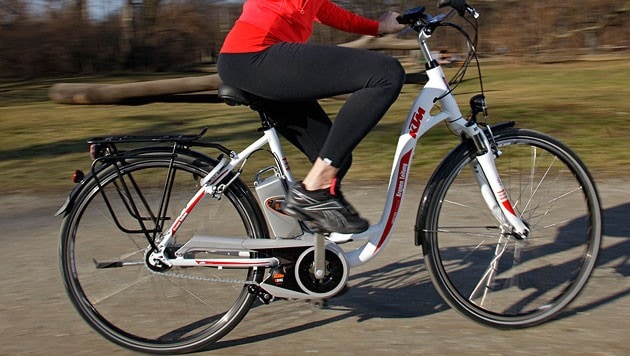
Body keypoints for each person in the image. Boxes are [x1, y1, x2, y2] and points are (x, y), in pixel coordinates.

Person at [217, 0, 406, 234]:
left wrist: (377, 27)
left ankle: (294, 256)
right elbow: (299, 6)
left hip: (258, 59)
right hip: (255, 53)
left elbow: (328, 11)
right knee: (386, 74)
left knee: (334, 155)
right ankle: (313, 190)